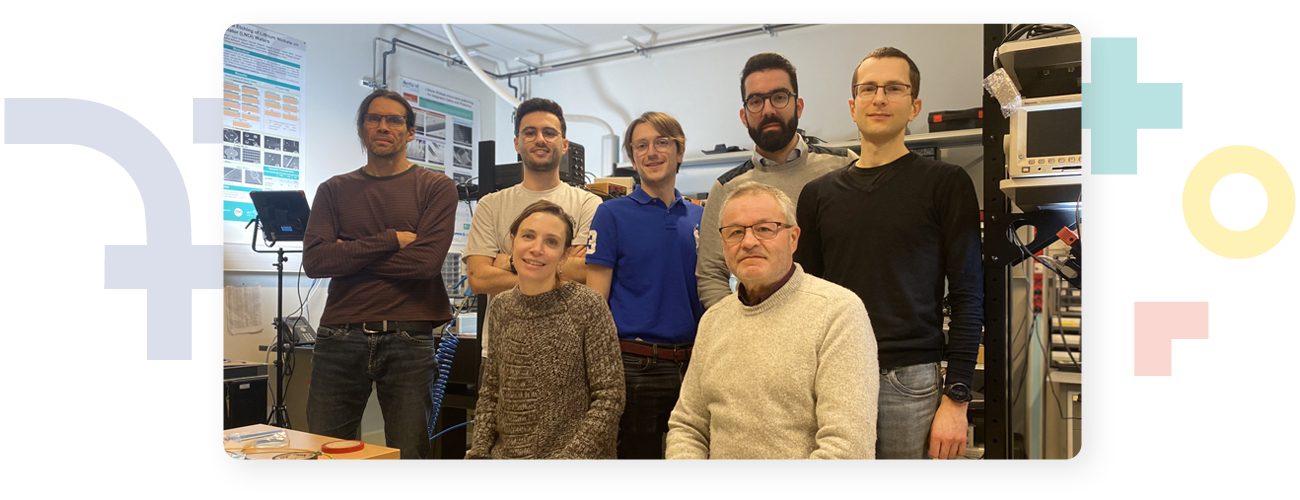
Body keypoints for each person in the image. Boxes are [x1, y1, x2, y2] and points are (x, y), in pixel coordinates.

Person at [794, 47, 985, 460]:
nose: (879, 98)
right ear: (853, 106)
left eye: (894, 88)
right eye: (868, 89)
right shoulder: (816, 196)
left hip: (910, 384)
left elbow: (969, 294)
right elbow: (805, 300)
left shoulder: (946, 183)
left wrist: (957, 399)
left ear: (914, 105)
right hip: (834, 376)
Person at [666, 182, 878, 460]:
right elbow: (687, 426)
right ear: (723, 244)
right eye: (735, 232)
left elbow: (848, 447)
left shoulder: (838, 312)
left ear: (793, 238)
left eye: (765, 229)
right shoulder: (714, 321)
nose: (749, 242)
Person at [301, 89, 458, 460]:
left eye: (394, 120)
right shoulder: (333, 190)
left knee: (409, 453)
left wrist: (348, 252)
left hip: (409, 337)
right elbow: (316, 262)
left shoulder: (436, 187)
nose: (383, 126)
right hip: (339, 335)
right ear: (361, 129)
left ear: (410, 132)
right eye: (374, 118)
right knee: (328, 452)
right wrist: (391, 240)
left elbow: (424, 264)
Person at [696, 52, 859, 310]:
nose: (768, 110)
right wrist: (737, 323)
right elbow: (710, 274)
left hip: (837, 323)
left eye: (779, 97)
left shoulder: (845, 166)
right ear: (744, 115)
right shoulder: (726, 188)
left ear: (798, 106)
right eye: (756, 101)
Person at [585, 111, 704, 460]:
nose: (651, 152)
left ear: (680, 152)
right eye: (641, 145)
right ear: (633, 157)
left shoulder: (702, 217)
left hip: (695, 365)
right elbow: (595, 304)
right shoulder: (611, 215)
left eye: (661, 142)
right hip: (634, 367)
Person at [466, 201, 624, 460]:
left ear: (564, 255)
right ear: (512, 242)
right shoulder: (501, 307)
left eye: (551, 242)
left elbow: (610, 397)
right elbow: (491, 392)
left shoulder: (587, 305)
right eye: (528, 236)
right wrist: (479, 452)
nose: (537, 249)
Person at [464, 98, 602, 366]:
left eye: (549, 133)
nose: (540, 139)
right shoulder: (491, 205)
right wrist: (556, 267)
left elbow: (585, 272)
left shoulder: (588, 204)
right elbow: (479, 278)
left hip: (565, 350)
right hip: (501, 350)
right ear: (517, 143)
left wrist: (509, 262)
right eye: (530, 132)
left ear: (564, 145)